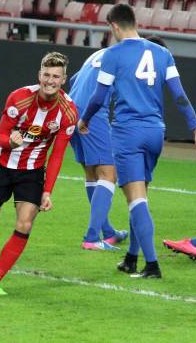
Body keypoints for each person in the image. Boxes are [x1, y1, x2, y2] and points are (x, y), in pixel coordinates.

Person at [78, 4, 196, 278]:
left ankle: (151, 266)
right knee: (141, 197)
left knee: (136, 200)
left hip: (128, 132)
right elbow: (179, 95)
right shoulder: (162, 53)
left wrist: (85, 119)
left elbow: (99, 96)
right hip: (155, 132)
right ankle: (131, 258)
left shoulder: (113, 54)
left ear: (114, 26)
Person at [0, 52, 78, 295]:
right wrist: (10, 143)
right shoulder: (19, 98)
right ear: (39, 75)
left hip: (31, 173)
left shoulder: (68, 113)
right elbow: (0, 137)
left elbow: (57, 155)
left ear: (63, 79)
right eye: (46, 74)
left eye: (56, 76)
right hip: (1, 166)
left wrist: (47, 191)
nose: (50, 80)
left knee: (25, 223)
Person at [69, 48, 128, 251]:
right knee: (109, 173)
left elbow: (75, 79)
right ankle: (92, 238)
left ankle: (108, 232)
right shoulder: (134, 57)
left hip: (70, 108)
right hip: (91, 113)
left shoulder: (102, 52)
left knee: (92, 172)